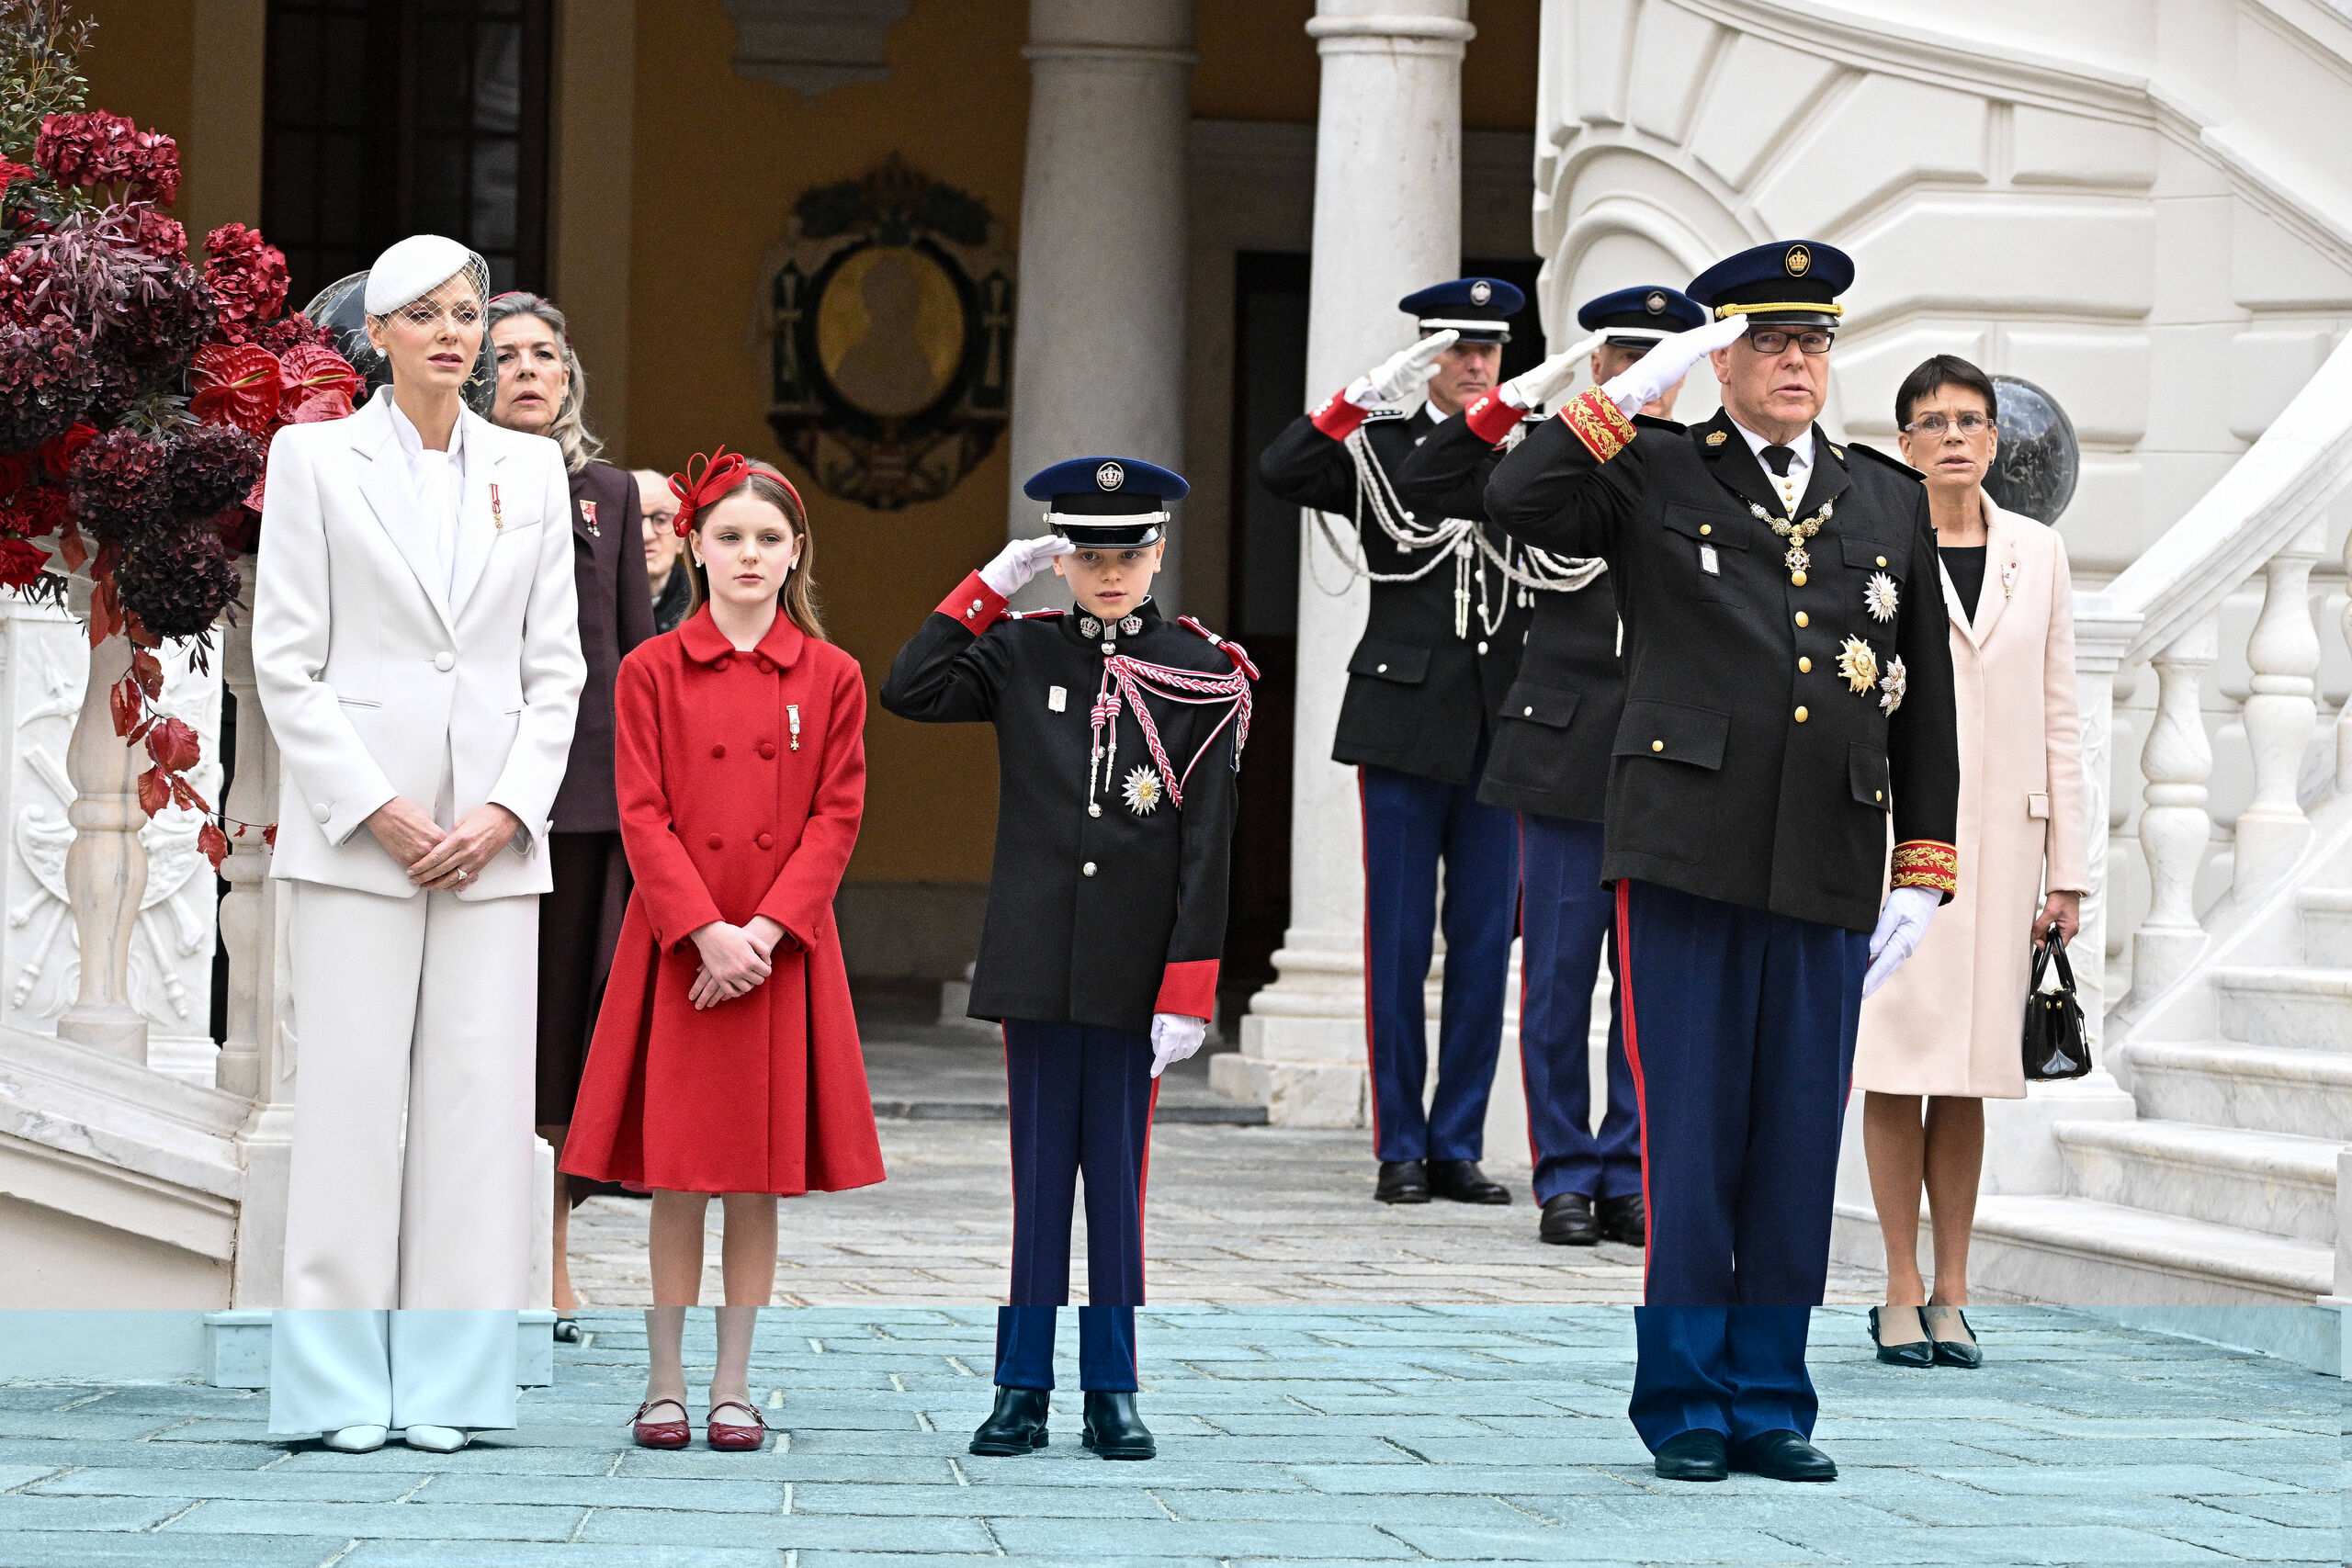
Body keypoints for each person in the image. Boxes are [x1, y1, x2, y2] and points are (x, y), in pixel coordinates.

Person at [1483, 240, 1960, 1484]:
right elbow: (1516, 498)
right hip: (1685, 848)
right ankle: (1686, 1398)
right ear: (1723, 358)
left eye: (1814, 342)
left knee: (1796, 1143)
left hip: (1828, 852)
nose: (1796, 361)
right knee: (1690, 1141)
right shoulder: (1652, 467)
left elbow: (1925, 696)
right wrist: (1635, 388)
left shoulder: (1883, 497)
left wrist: (1923, 865)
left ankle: (1771, 1400)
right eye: (1768, 341)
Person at [253, 232, 584, 1450]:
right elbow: (286, 661)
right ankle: (334, 1390)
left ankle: (452, 1389)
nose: (453, 333)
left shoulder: (529, 469)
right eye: (426, 314)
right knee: (347, 1104)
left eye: (467, 313)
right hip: (359, 839)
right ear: (379, 334)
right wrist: (377, 806)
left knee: (478, 1115)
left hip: (492, 842)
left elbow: (555, 669)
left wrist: (506, 808)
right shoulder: (312, 458)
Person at [881, 457, 1254, 1463]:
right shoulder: (1020, 651)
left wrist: (1190, 984)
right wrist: (989, 585)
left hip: (1137, 974)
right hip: (1039, 961)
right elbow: (908, 688)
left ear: (1158, 552)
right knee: (1039, 1186)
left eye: (1128, 554)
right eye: (1089, 556)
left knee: (1118, 1192)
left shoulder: (1200, 669)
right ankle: (1021, 1386)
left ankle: (1112, 1388)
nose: (1111, 574)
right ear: (1062, 561)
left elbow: (1209, 843)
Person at [561, 452, 883, 1452]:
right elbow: (642, 812)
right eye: (730, 536)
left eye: (768, 538)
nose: (749, 554)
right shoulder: (650, 670)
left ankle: (733, 1386)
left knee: (754, 1177)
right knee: (679, 1174)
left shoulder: (832, 675)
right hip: (679, 950)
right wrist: (704, 930)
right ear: (694, 548)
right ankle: (663, 1383)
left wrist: (766, 933)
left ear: (796, 554)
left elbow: (836, 817)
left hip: (780, 952)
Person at [1399, 285, 1707, 1247]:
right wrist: (1529, 397)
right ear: (1597, 364)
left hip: (1666, 753)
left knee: (1647, 986)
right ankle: (1565, 1174)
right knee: (1558, 981)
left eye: (1659, 360)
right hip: (1564, 747)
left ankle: (1629, 1171)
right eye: (1624, 357)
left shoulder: (1701, 464)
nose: (1643, 376)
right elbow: (1429, 480)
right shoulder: (1546, 455)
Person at [1259, 278, 1535, 1207]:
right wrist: (1358, 396)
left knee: (1485, 943)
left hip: (1499, 726)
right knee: (1398, 940)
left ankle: (1457, 1143)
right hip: (1403, 719)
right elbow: (1283, 471)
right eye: (1456, 348)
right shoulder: (1379, 451)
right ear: (1427, 355)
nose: (1475, 364)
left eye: (1488, 349)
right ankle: (1400, 1145)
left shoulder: (1521, 448)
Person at [1855, 355, 2087, 1371]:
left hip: (2003, 851)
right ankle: (1898, 1286)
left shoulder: (2040, 552)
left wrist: (2068, 871)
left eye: (1970, 420)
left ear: (1995, 439)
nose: (1953, 436)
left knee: (1966, 1075)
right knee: (1892, 1061)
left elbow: (2059, 714)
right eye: (1933, 421)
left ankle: (1953, 1289)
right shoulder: (1875, 540)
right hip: (1893, 844)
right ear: (1905, 442)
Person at [485, 291, 657, 1341]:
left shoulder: (608, 494)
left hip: (589, 801)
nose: (527, 370)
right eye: (505, 356)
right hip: (479, 796)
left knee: (562, 1039)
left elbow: (636, 653)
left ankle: (548, 1255)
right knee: (485, 1033)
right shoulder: (449, 482)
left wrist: (652, 798)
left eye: (544, 354)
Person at [636, 467, 693, 633]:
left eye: (661, 519)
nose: (647, 535)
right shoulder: (592, 598)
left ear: (683, 537)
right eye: (633, 519)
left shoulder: (707, 598)